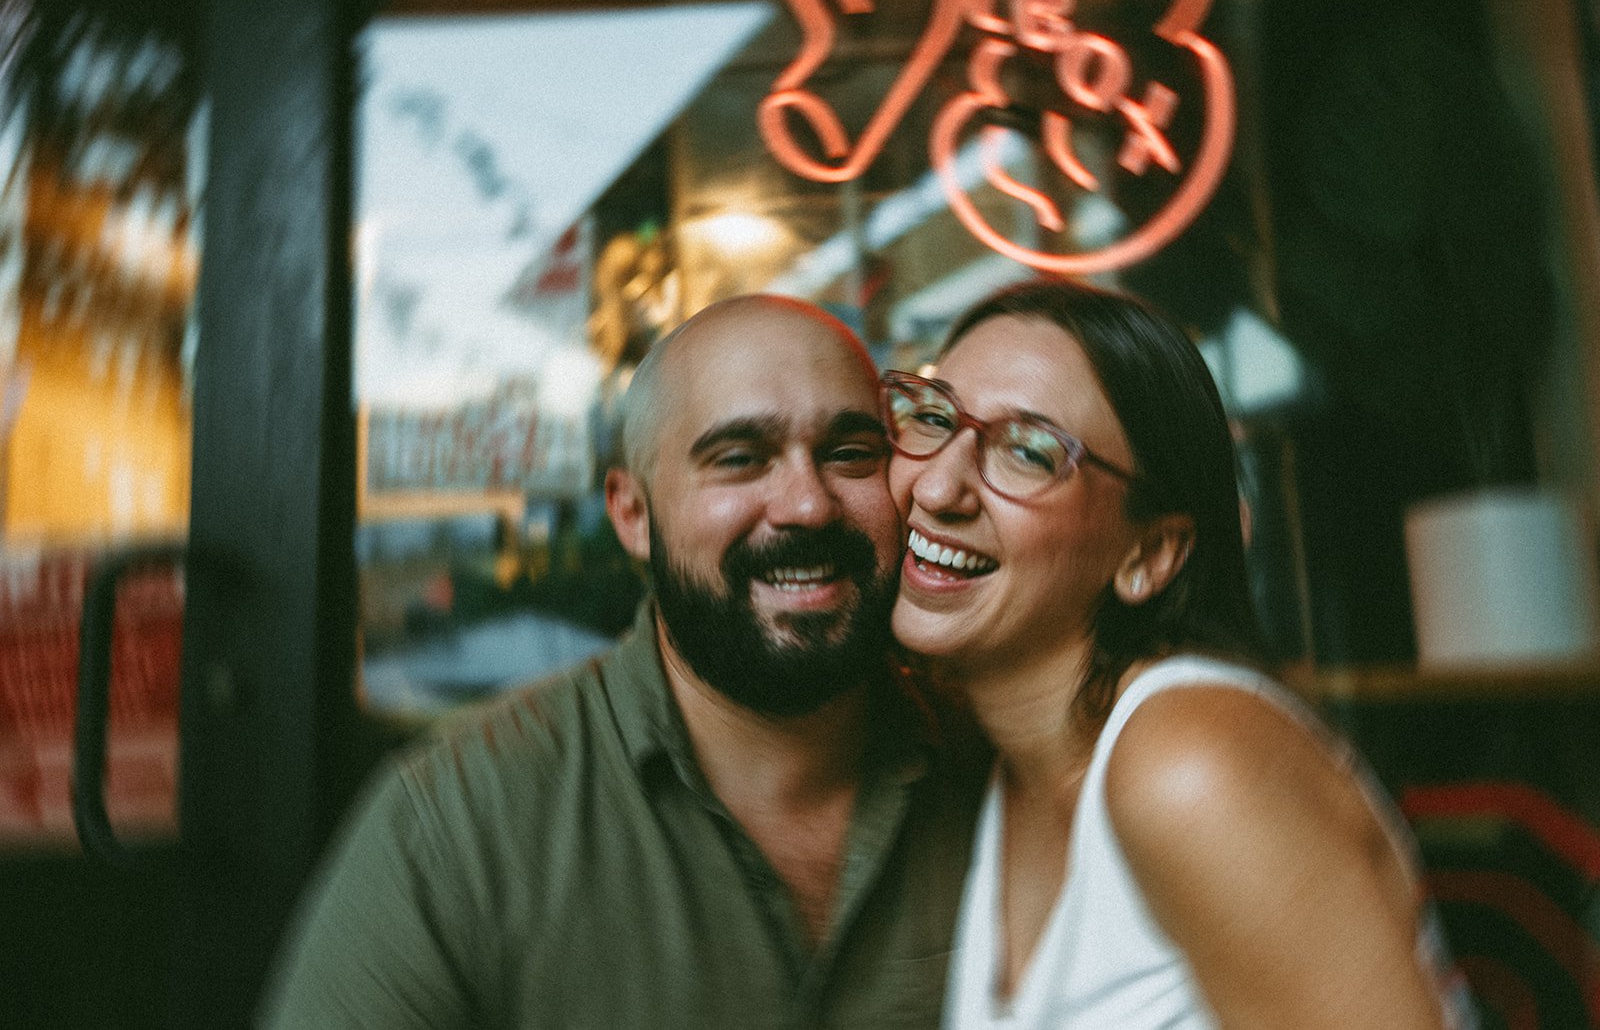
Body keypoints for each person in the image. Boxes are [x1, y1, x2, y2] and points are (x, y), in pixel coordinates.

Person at [261, 294, 988, 1027]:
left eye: (851, 454)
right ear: (633, 516)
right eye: (739, 458)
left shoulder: (998, 775)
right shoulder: (458, 828)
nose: (808, 504)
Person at [880, 279, 1476, 1028]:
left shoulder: (1188, 764)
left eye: (1028, 451)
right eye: (933, 417)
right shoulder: (1005, 774)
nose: (937, 485)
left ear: (1151, 553)